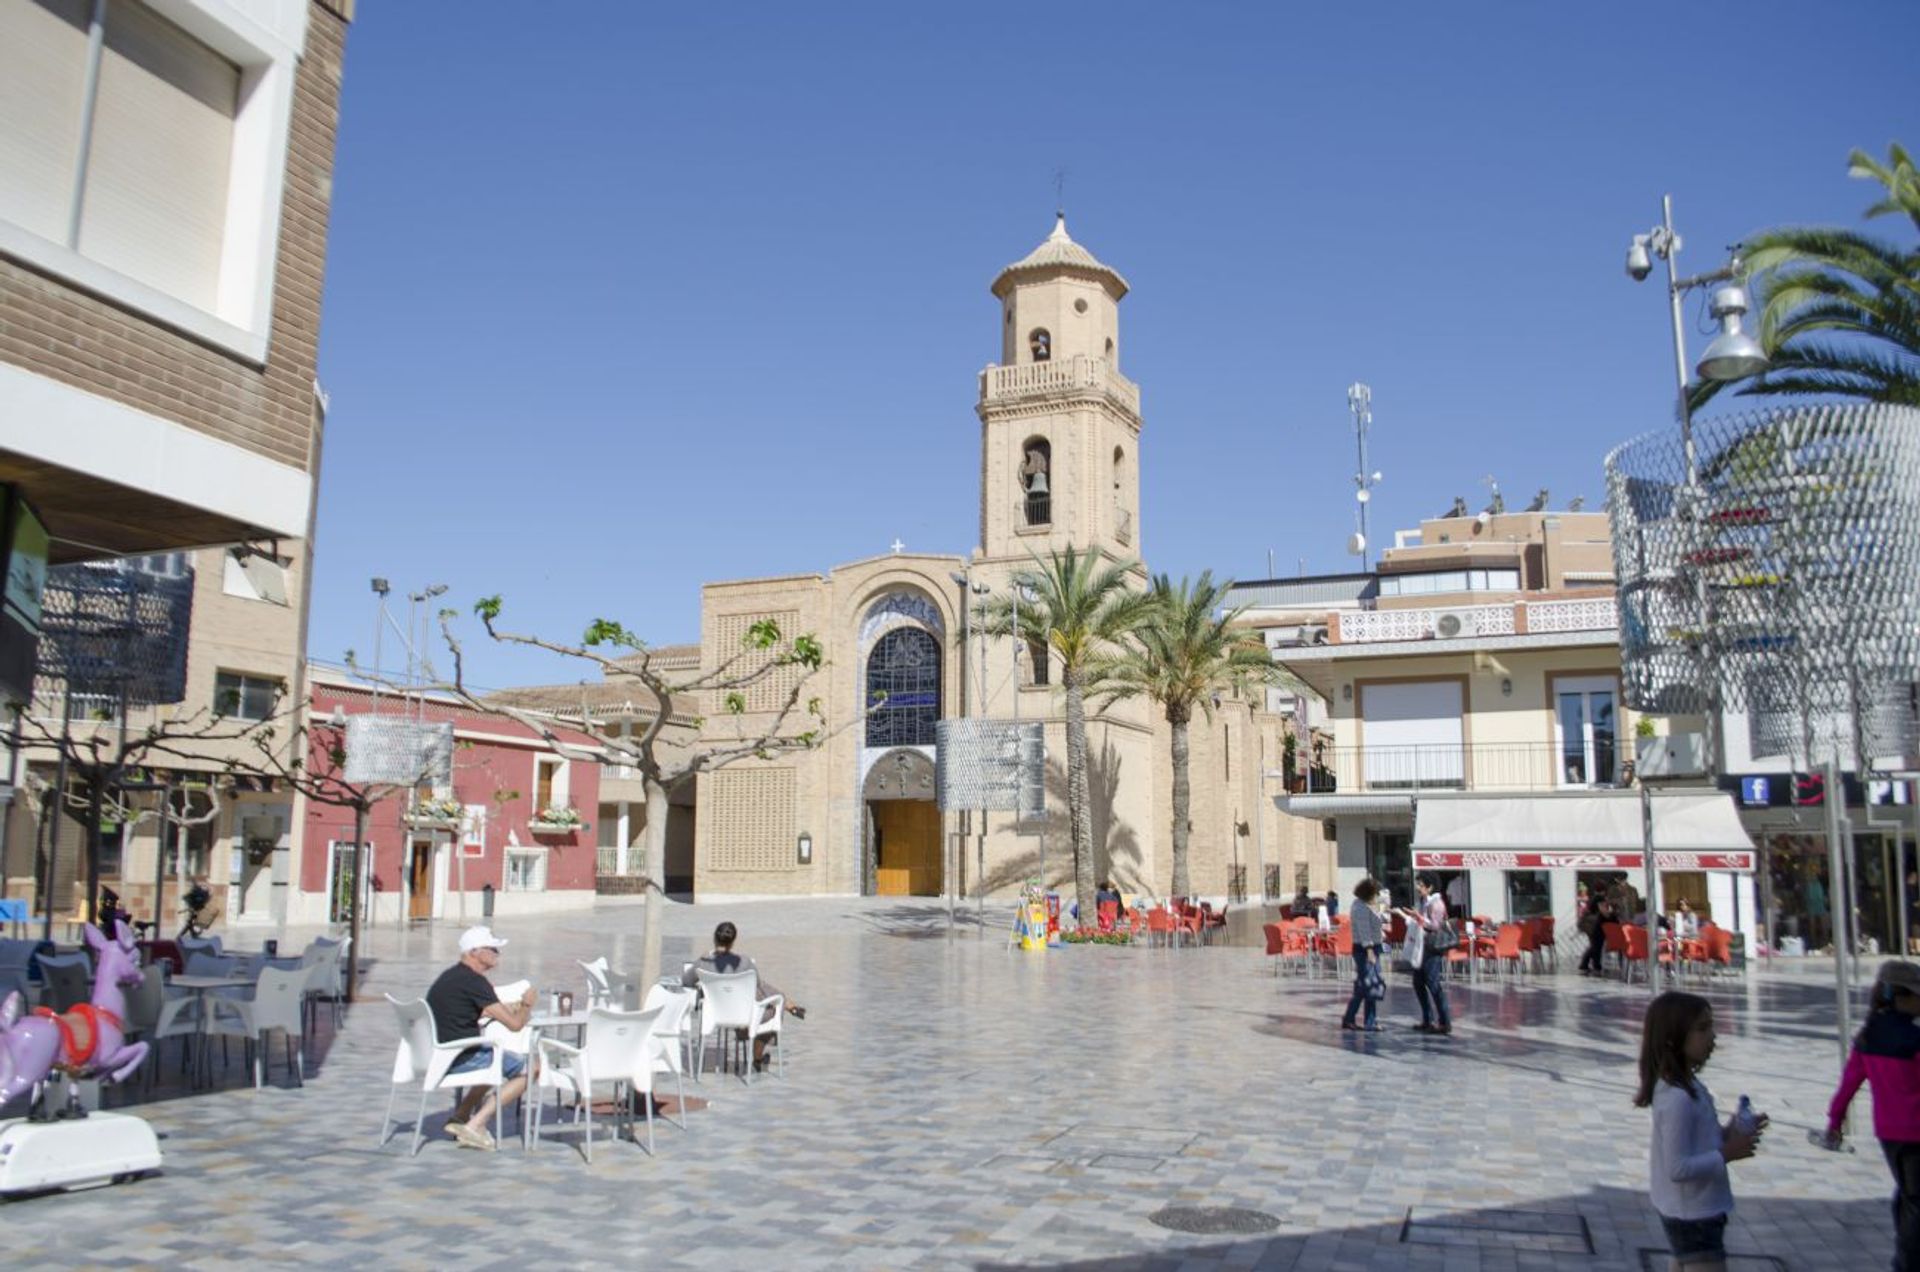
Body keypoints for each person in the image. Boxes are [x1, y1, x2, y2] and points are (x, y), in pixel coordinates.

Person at [1635, 991, 1766, 1271]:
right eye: (1702, 1029)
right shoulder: (1677, 1097)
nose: (1713, 1037)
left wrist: (1729, 1131)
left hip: (1695, 1211)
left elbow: (1697, 1142)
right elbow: (1677, 1167)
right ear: (1674, 1038)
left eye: (1712, 1026)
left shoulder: (1687, 1087)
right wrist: (1726, 1154)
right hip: (1693, 1216)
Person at [1824, 961, 1920, 1268]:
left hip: (1889, 1133)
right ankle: (1908, 1262)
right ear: (1901, 996)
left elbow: (1848, 1084)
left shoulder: (1868, 1036)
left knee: (1908, 1193)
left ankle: (1906, 1256)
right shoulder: (1914, 1040)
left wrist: (1834, 1121)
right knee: (1916, 1200)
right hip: (1917, 1132)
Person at [425, 925, 535, 1150]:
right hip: (461, 1057)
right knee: (532, 1068)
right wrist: (526, 1004)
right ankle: (477, 1123)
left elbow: (465, 1009)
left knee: (495, 1061)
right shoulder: (476, 982)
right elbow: (515, 1025)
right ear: (474, 952)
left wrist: (498, 1009)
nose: (497, 954)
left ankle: (461, 1115)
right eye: (492, 949)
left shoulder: (451, 977)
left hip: (441, 1054)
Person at [683, 920, 807, 1072]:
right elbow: (758, 987)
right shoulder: (745, 962)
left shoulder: (703, 963)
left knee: (764, 992)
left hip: (715, 1013)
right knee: (772, 1007)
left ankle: (786, 1004)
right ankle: (758, 1057)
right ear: (733, 941)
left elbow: (686, 981)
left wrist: (700, 964)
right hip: (744, 1015)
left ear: (714, 939)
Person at [1401, 874, 1454, 1036]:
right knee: (1418, 983)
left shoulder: (1436, 904)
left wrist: (1418, 917)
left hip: (1431, 948)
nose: (1418, 888)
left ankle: (1444, 1022)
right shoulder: (1423, 902)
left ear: (1430, 887)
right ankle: (1427, 1019)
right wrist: (1410, 916)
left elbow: (1435, 926)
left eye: (1421, 885)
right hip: (1420, 946)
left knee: (1433, 984)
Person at [1340, 878, 1386, 1033]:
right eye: (1375, 893)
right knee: (1369, 984)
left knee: (1364, 985)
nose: (1377, 896)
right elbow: (1364, 930)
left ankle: (1352, 1018)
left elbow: (1380, 917)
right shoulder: (1360, 908)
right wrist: (1369, 950)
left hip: (1372, 946)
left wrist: (1384, 905)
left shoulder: (1367, 905)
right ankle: (1367, 1021)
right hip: (1365, 949)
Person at [1580, 895, 1617, 976]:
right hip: (1595, 931)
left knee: (1595, 947)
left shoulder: (1593, 911)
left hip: (1596, 930)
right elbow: (1605, 916)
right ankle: (1592, 965)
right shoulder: (1597, 911)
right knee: (1596, 947)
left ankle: (1587, 965)